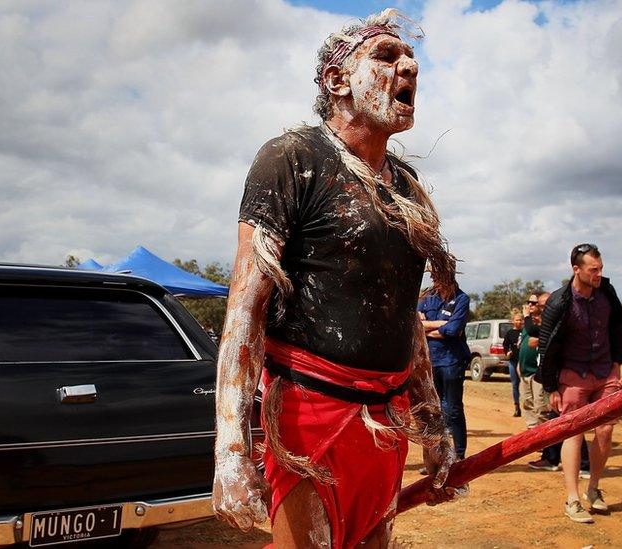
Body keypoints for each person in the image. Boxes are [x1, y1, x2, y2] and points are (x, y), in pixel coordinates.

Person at [211, 9, 460, 548]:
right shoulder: (292, 158)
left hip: (386, 421)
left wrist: (434, 429)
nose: (409, 68)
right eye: (387, 57)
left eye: (412, 59)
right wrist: (230, 451)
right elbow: (244, 313)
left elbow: (406, 319)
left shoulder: (408, 187)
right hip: (309, 419)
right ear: (337, 80)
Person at [538, 243, 622, 523]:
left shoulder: (607, 293)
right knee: (573, 431)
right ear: (577, 270)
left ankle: (594, 488)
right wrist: (551, 385)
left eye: (600, 269)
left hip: (605, 370)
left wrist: (617, 363)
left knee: (606, 429)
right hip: (572, 374)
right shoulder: (559, 301)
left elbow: (618, 327)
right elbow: (546, 346)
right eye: (593, 269)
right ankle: (572, 498)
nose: (599, 274)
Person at [418, 277, 471, 459]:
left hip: (452, 361)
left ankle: (458, 456)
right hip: (430, 361)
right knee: (434, 410)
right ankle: (438, 457)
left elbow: (453, 330)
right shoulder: (427, 297)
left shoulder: (462, 298)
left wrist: (428, 327)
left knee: (453, 409)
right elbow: (416, 326)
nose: (434, 278)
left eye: (438, 274)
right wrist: (440, 325)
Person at [520, 292, 558, 470]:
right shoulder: (535, 322)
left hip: (542, 374)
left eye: (536, 303)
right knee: (530, 406)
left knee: (543, 409)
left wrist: (527, 317)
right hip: (529, 372)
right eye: (530, 303)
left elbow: (535, 334)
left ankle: (548, 450)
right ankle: (539, 444)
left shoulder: (549, 320)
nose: (532, 305)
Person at [503, 310, 523, 417]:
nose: (518, 322)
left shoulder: (525, 332)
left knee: (524, 385)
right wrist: (507, 352)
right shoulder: (510, 333)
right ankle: (517, 408)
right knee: (515, 385)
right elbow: (505, 345)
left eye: (520, 320)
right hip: (513, 362)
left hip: (523, 362)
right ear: (513, 321)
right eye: (517, 320)